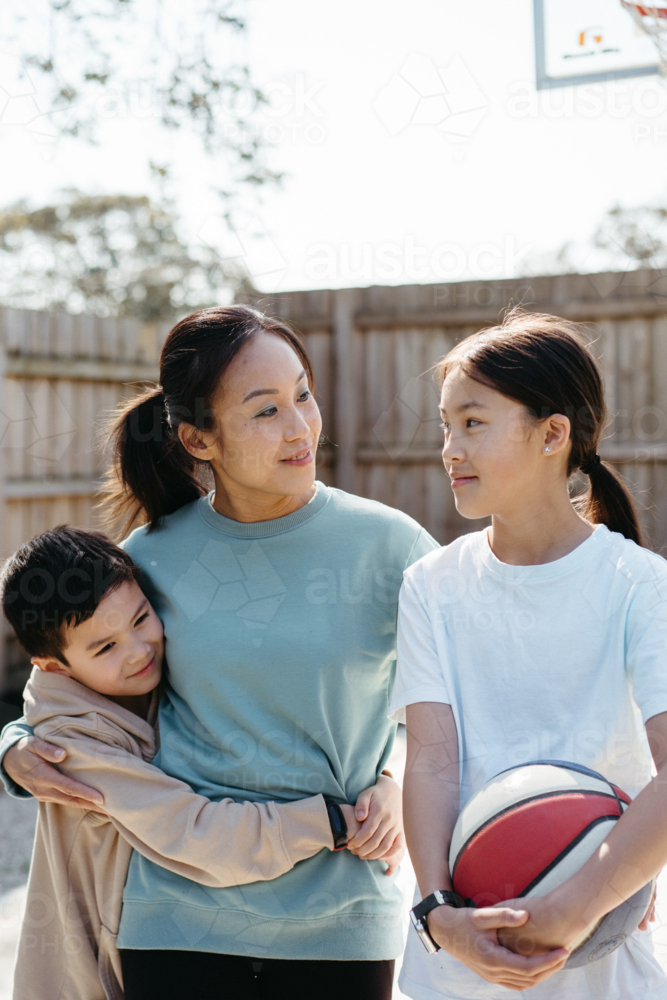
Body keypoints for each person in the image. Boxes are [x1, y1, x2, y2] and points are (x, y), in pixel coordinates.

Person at [0, 304, 441, 1000]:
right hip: (175, 919)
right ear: (197, 439)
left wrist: (392, 775)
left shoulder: (392, 548)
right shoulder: (149, 558)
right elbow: (65, 677)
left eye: (303, 394)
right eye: (265, 410)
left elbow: (459, 703)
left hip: (340, 917)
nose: (300, 427)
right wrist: (15, 744)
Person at [392, 309, 667, 999]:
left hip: (595, 966)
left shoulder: (639, 584)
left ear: (552, 434)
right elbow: (430, 765)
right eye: (445, 424)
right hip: (452, 965)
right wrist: (437, 914)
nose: (450, 448)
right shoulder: (430, 585)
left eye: (474, 423)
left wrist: (575, 908)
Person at [1, 525, 400, 1000]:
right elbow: (195, 832)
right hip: (96, 977)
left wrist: (384, 784)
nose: (138, 651)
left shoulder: (150, 680)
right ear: (55, 667)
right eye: (106, 647)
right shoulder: (71, 745)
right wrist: (332, 821)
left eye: (142, 619)